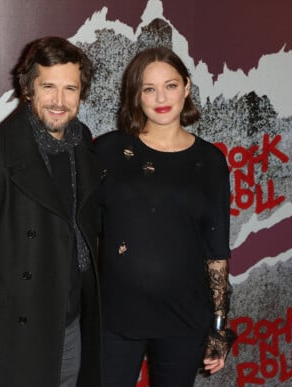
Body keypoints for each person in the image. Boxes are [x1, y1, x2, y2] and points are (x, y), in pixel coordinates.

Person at [0, 36, 101, 387]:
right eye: (48, 87)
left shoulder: (84, 143)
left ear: (81, 93)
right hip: (10, 334)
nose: (59, 101)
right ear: (28, 88)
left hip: (70, 325)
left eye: (70, 88)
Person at [96, 47, 236, 387]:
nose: (161, 97)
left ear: (186, 88)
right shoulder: (107, 151)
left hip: (183, 316)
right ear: (136, 95)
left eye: (170, 85)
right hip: (114, 314)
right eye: (148, 88)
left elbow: (216, 249)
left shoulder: (210, 160)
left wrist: (219, 325)